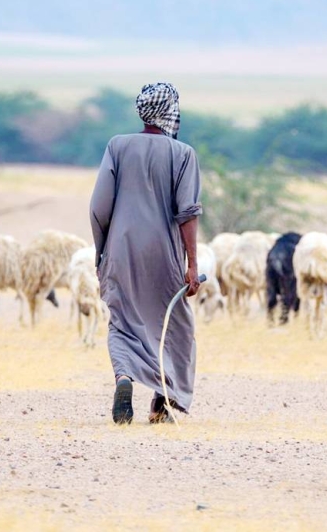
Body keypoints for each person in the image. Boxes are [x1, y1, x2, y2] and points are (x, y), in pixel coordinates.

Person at [89, 82, 203, 425]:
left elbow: (99, 206)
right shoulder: (183, 154)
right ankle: (164, 402)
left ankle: (124, 378)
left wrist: (102, 252)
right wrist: (192, 264)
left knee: (122, 322)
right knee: (173, 325)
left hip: (119, 251)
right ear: (170, 112)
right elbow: (187, 213)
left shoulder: (117, 146)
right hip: (163, 254)